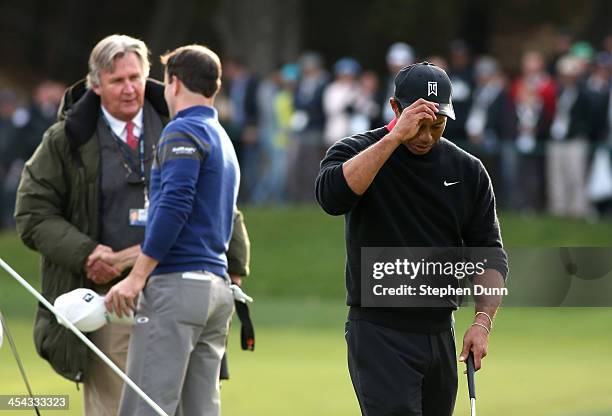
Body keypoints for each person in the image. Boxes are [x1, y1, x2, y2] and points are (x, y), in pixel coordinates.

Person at [14, 35, 250, 416]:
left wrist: (233, 268)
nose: (129, 89)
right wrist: (85, 252)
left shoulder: (180, 125)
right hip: (107, 301)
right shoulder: (66, 138)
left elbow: (219, 204)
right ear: (95, 84)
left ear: (153, 77)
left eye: (135, 78)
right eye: (116, 80)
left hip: (168, 289)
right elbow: (31, 213)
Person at [315, 62, 508, 416]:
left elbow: (490, 253)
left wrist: (483, 323)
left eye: (437, 126)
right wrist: (392, 138)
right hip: (379, 332)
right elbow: (331, 197)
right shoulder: (358, 150)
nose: (426, 136)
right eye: (418, 124)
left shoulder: (467, 170)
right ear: (395, 108)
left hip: (440, 333)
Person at [104, 44, 239, 416]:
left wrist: (136, 277)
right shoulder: (222, 138)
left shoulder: (182, 130)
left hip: (177, 289)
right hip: (216, 290)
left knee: (145, 409)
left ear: (174, 83)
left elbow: (174, 207)